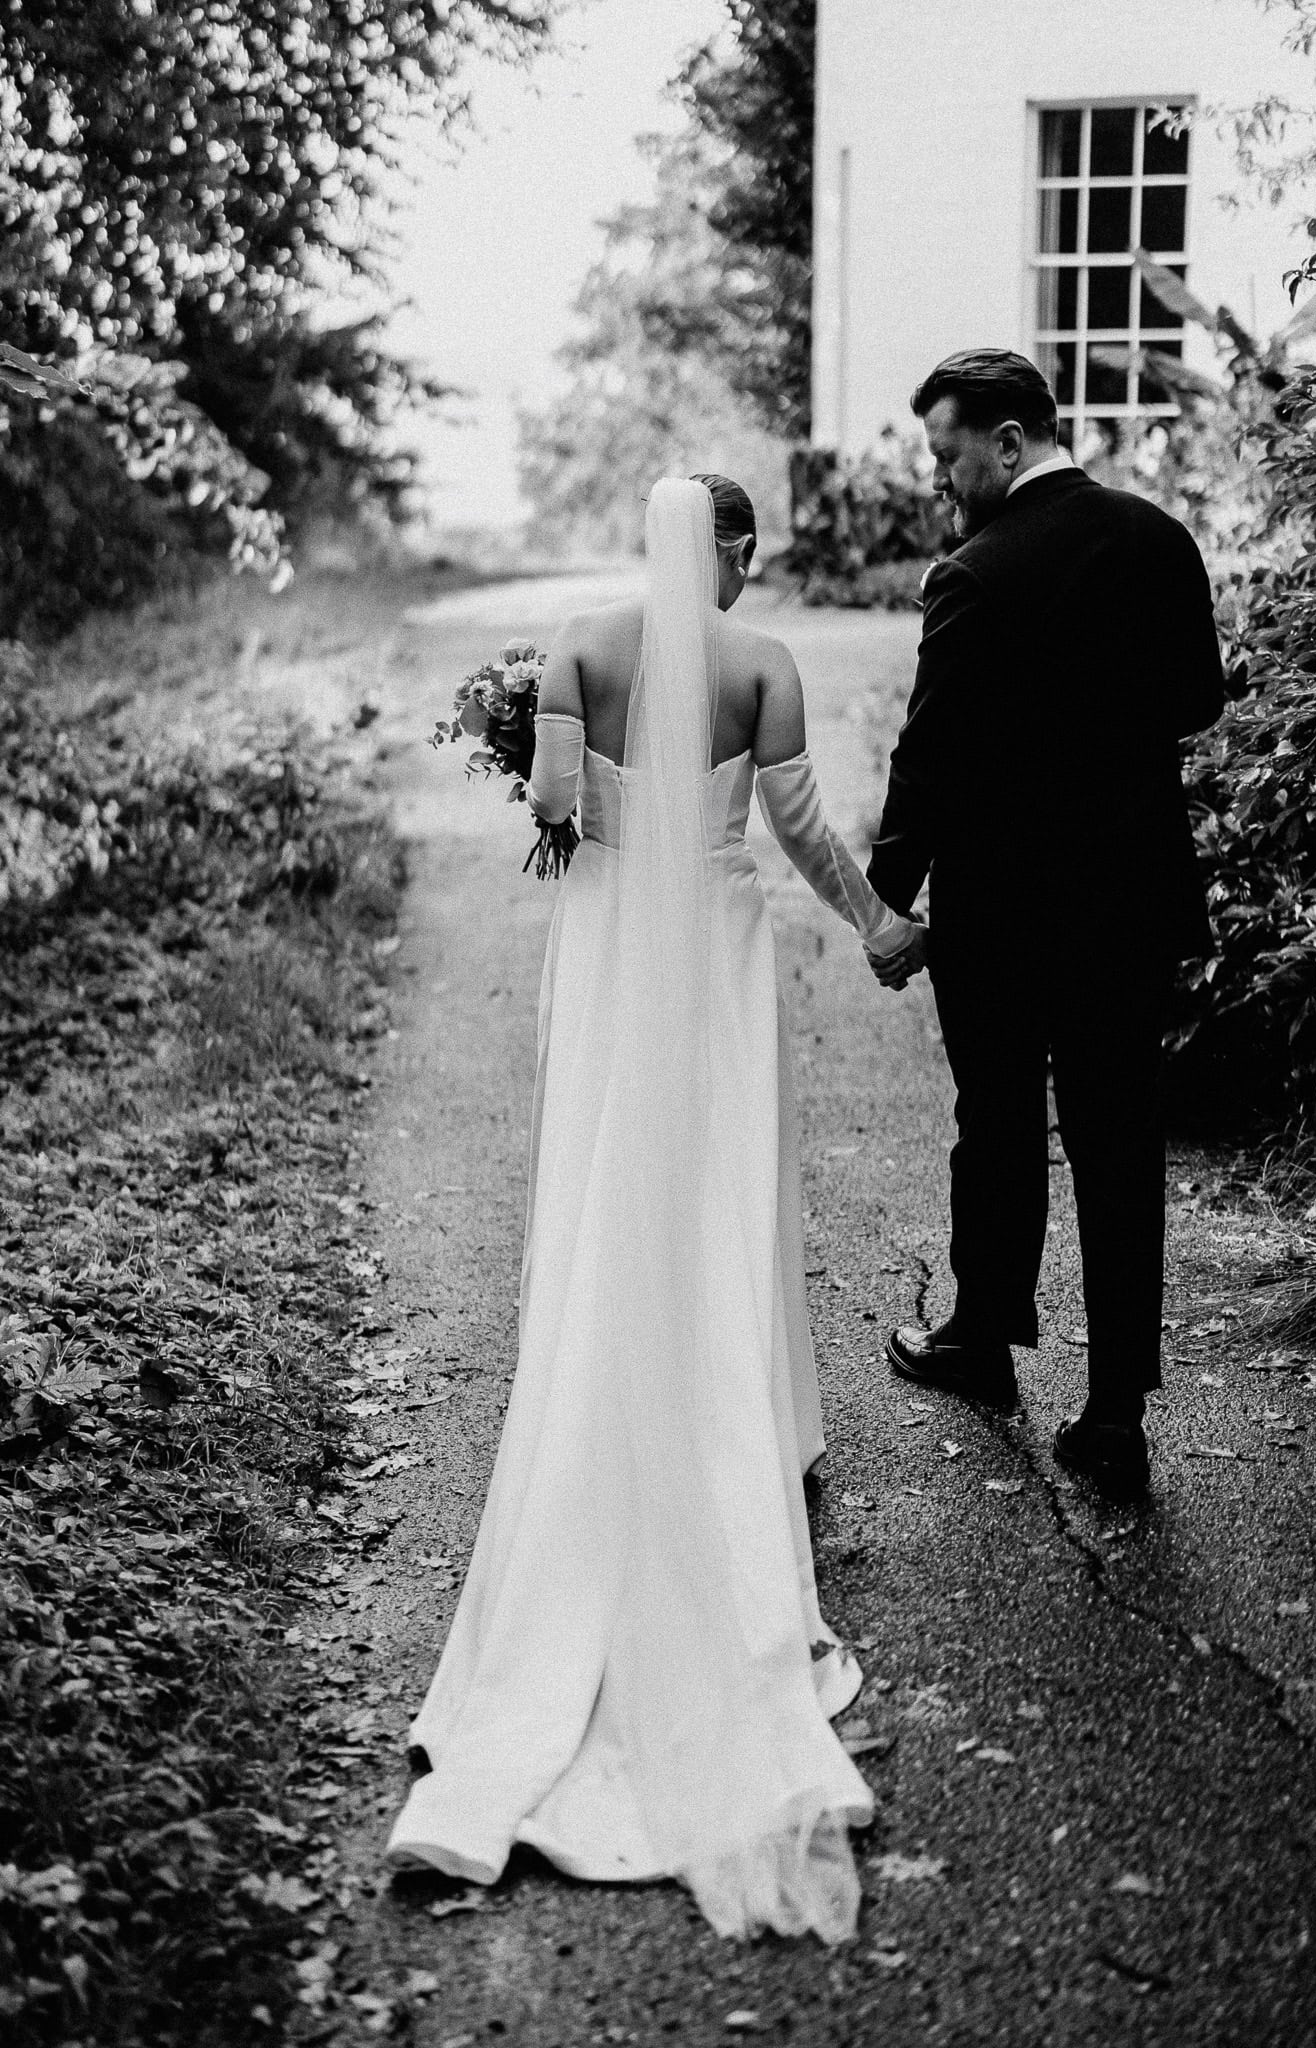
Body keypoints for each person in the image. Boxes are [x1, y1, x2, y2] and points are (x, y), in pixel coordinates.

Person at [386, 475, 924, 1941]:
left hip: (613, 937)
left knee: (603, 1166)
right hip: (720, 938)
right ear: (732, 551)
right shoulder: (765, 666)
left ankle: (604, 1399)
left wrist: (552, 771)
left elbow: (561, 807)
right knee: (725, 1183)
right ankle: (748, 1419)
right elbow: (805, 830)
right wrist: (882, 925)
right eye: (751, 549)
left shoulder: (572, 643)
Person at [868, 348, 1225, 1496]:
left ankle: (983, 1335)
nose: (942, 479)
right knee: (1121, 1139)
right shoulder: (1160, 539)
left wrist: (888, 891)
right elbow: (1200, 702)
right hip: (1129, 896)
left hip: (1006, 905)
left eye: (948, 454)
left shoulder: (973, 573)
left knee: (1002, 1117)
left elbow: (929, 753)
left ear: (1008, 442)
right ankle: (1116, 1407)